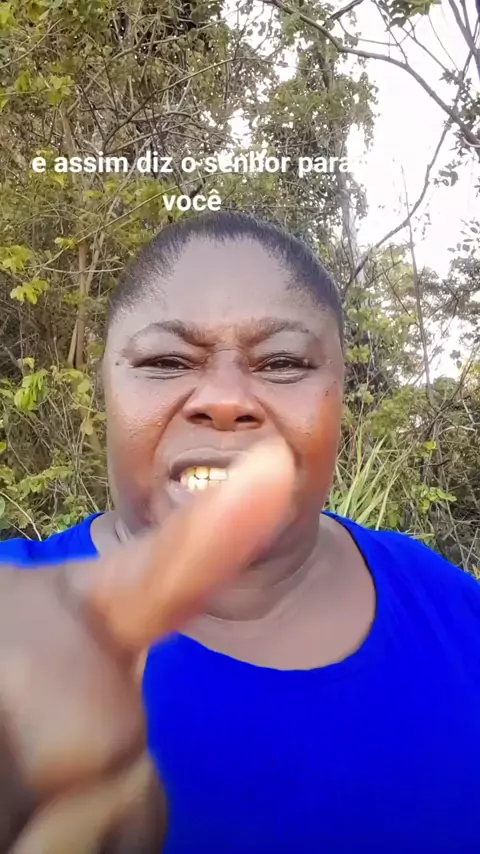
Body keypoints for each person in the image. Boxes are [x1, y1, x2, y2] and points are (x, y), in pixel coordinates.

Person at [0, 210, 480, 854]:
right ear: (105, 391)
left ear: (341, 393)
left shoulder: (457, 614)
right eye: (167, 360)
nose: (225, 400)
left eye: (282, 362)